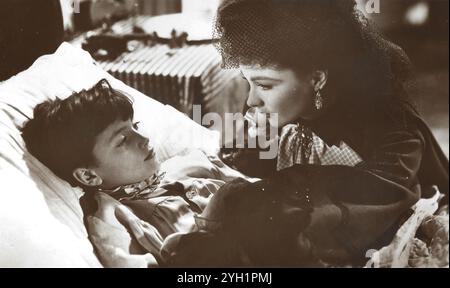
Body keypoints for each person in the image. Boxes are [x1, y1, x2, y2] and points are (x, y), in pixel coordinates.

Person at [162, 0, 449, 267]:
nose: (251, 100)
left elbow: (380, 198)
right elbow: (250, 159)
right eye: (247, 82)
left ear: (317, 78)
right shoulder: (275, 113)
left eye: (265, 85)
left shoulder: (391, 127)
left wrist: (276, 195)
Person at [21, 78, 247, 267]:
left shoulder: (190, 161)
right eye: (123, 140)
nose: (145, 139)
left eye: (135, 127)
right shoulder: (115, 220)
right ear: (89, 176)